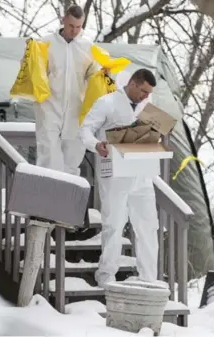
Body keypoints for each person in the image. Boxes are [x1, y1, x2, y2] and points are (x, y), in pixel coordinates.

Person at [79, 68, 159, 287]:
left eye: (149, 92)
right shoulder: (107, 102)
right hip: (114, 172)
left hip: (142, 172)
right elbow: (85, 130)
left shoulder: (149, 107)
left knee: (148, 225)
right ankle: (106, 275)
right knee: (114, 223)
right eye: (143, 91)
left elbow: (157, 133)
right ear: (132, 83)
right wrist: (96, 145)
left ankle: (148, 277)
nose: (145, 96)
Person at [34, 5, 99, 175]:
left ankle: (69, 198)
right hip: (49, 106)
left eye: (79, 27)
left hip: (76, 109)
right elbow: (32, 71)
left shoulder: (88, 47)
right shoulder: (44, 43)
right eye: (71, 26)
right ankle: (49, 197)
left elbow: (95, 75)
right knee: (49, 156)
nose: (75, 31)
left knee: (73, 157)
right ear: (63, 21)